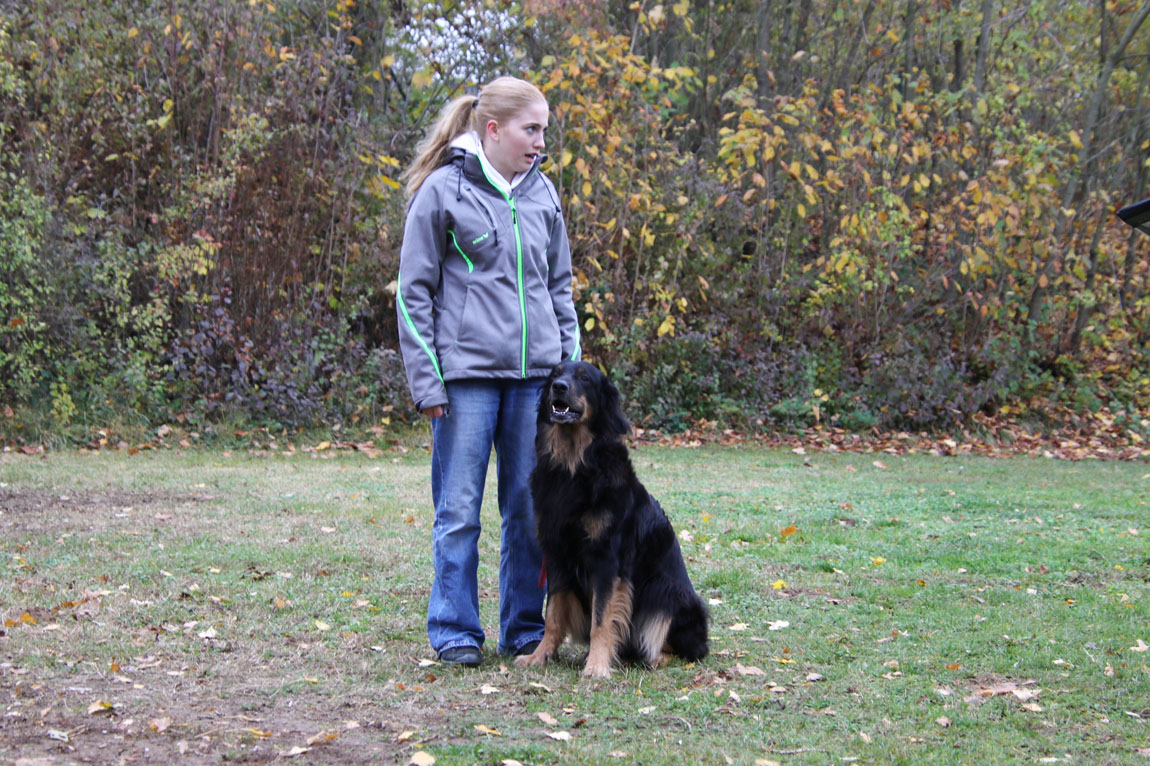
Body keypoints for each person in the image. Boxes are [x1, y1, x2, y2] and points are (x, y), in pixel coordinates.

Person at [395, 76, 581, 667]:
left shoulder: (544, 195)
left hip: (535, 384)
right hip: (465, 383)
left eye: (545, 130)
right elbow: (412, 294)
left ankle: (525, 629)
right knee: (458, 510)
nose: (541, 142)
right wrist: (427, 382)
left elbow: (560, 289)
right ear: (493, 130)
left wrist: (568, 375)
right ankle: (454, 630)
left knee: (530, 511)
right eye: (532, 130)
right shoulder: (442, 192)